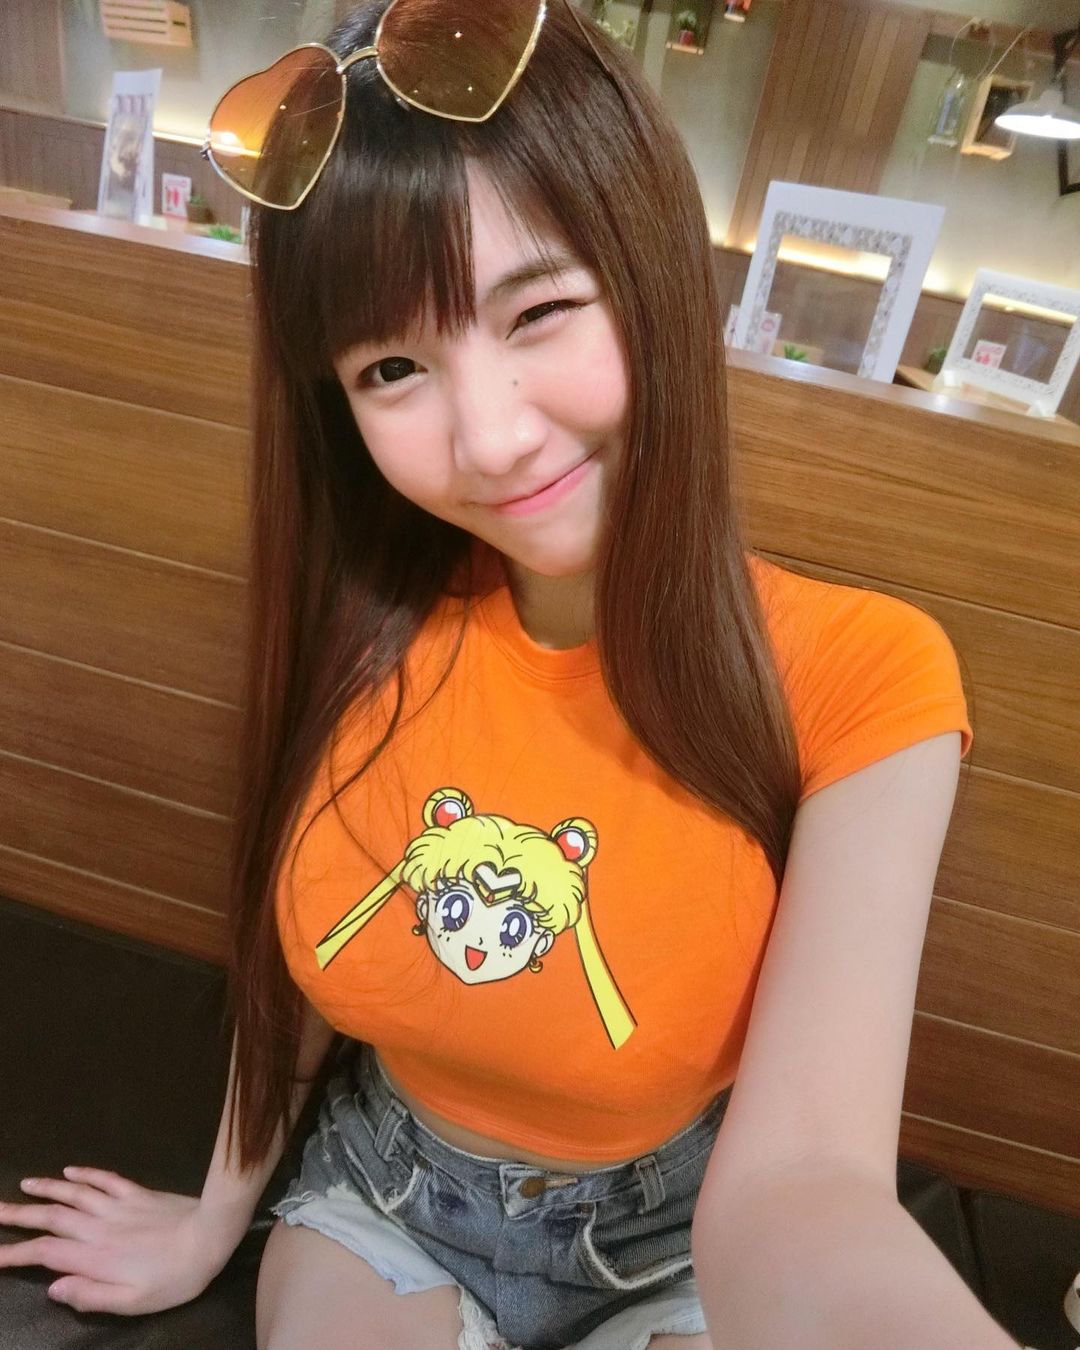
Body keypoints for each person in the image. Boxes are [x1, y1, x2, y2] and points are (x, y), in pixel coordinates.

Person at [0, 3, 1019, 1349]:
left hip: (679, 1241)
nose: (487, 437)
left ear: (652, 273)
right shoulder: (364, 627)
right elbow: (292, 981)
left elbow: (807, 1183)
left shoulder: (863, 676)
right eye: (393, 366)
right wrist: (211, 1221)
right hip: (388, 1200)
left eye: (538, 311)